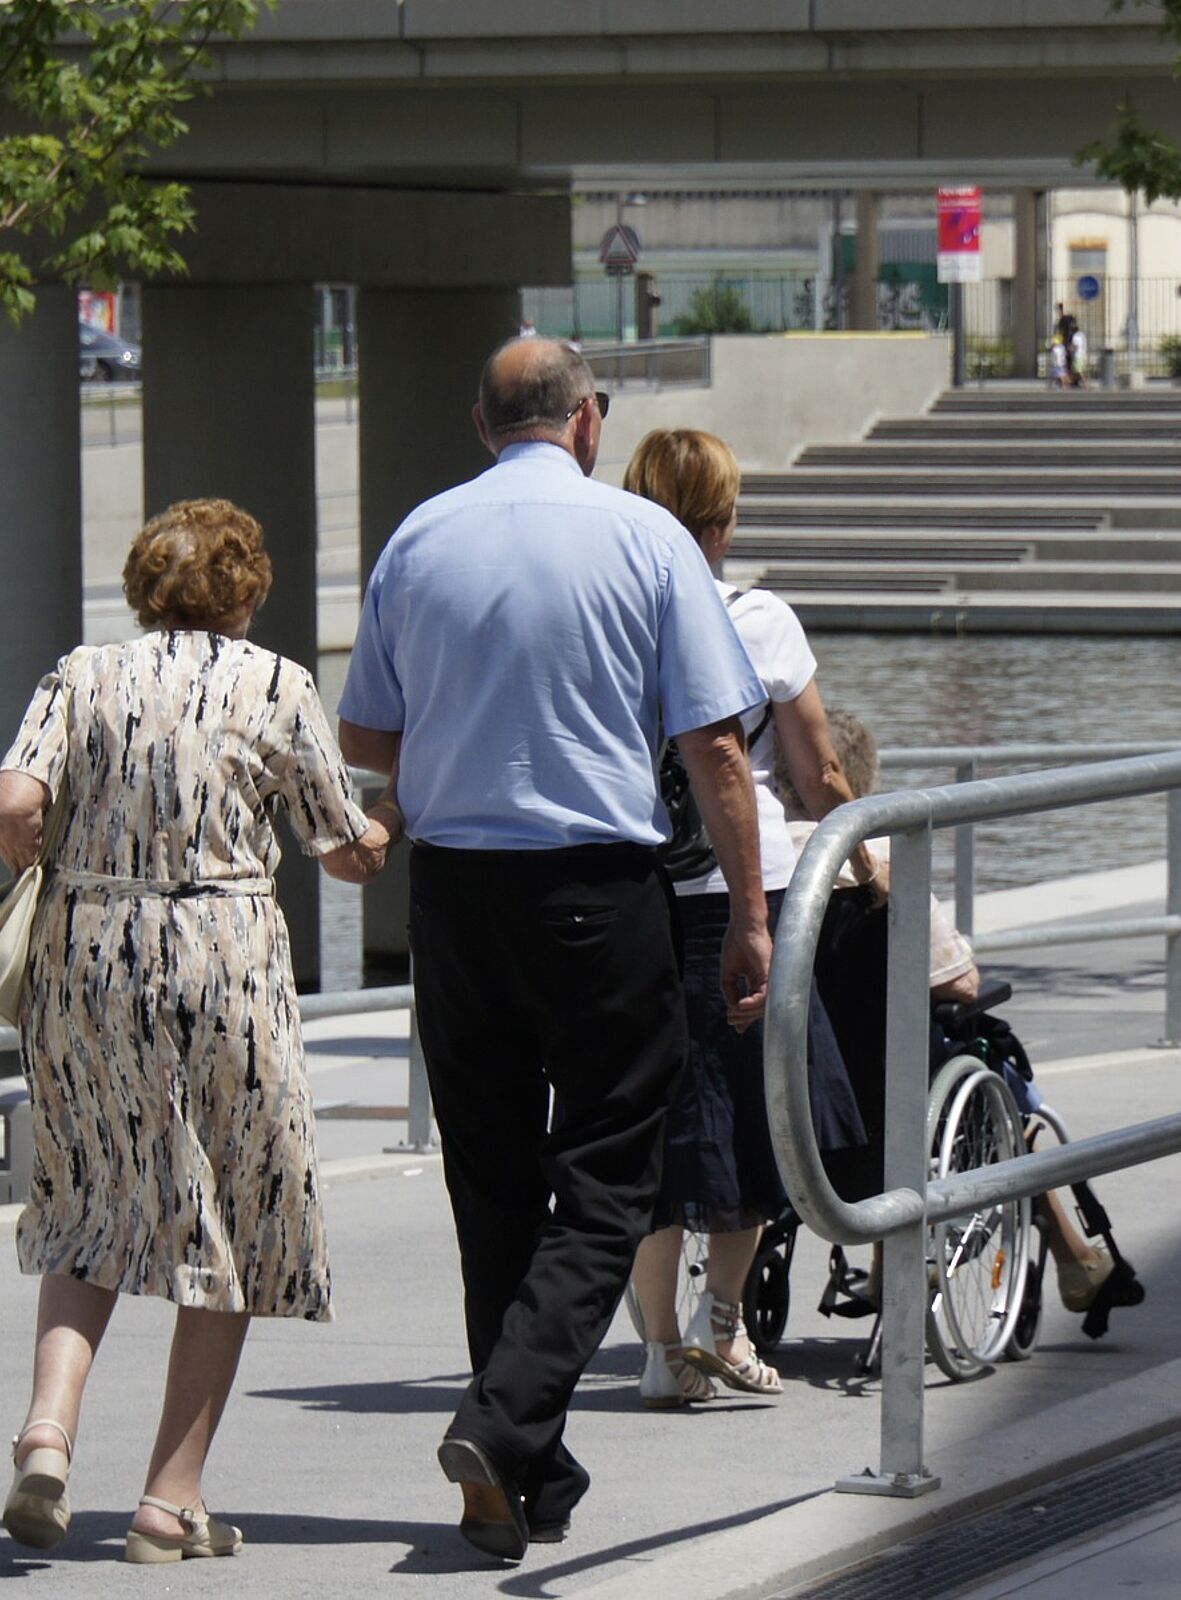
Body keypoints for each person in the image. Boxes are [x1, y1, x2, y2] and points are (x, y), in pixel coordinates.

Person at [337, 340, 771, 1564]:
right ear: (589, 422)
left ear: (483, 422)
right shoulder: (646, 542)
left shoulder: (419, 539)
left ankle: (520, 1467)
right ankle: (503, 1414)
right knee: (610, 1178)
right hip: (595, 891)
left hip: (456, 895)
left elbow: (368, 735)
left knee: (490, 1183)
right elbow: (718, 749)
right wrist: (748, 909)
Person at [0, 498, 398, 1563]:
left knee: (86, 1190)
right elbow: (339, 844)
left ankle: (47, 1430)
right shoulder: (275, 682)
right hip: (221, 955)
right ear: (249, 591)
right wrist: (384, 828)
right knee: (236, 1204)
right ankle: (168, 1502)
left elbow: (14, 797)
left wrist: (53, 861)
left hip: (86, 955)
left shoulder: (82, 672)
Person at [621, 429, 871, 1411]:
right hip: (743, 892)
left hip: (631, 891)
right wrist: (856, 839)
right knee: (757, 1110)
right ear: (722, 524)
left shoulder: (609, 615)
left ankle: (656, 1348)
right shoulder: (759, 620)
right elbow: (816, 771)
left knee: (649, 1121)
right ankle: (722, 1320)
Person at [777, 708, 1116, 1315]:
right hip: (888, 1101)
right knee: (1000, 1096)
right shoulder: (879, 862)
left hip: (791, 1102)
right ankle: (1075, 1256)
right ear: (865, 779)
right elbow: (961, 983)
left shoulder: (757, 865)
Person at [1067, 317, 1088, 388]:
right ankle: (1072, 382)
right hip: (1083, 354)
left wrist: (1069, 348)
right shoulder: (1082, 335)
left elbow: (1075, 347)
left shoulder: (1075, 336)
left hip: (1078, 355)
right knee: (1076, 370)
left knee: (1079, 370)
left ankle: (1085, 383)